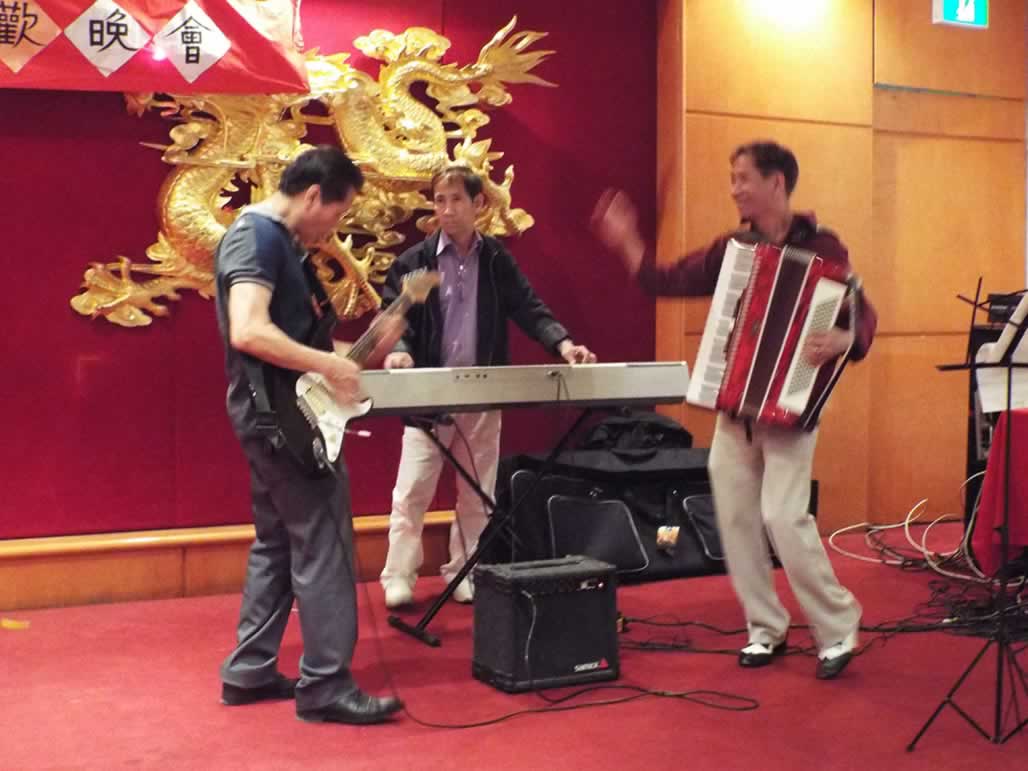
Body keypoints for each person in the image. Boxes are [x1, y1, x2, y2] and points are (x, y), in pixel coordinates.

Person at [591, 141, 876, 680]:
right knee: (737, 516)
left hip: (790, 403)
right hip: (738, 405)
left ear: (776, 182)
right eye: (732, 178)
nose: (734, 189)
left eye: (743, 178)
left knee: (783, 517)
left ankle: (838, 626)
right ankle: (765, 627)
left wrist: (843, 338)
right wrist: (629, 245)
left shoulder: (824, 247)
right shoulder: (734, 248)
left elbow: (861, 314)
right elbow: (666, 279)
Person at [214, 145, 405, 724]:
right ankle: (325, 683)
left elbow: (300, 346)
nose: (334, 229)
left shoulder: (280, 245)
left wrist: (365, 347)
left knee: (277, 543)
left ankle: (249, 670)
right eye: (338, 214)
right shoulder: (257, 238)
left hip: (275, 416)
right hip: (283, 422)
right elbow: (249, 331)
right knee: (324, 544)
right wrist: (330, 364)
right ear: (314, 194)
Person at [379, 165, 596, 608]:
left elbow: (529, 308)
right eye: (440, 200)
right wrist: (398, 349)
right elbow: (395, 315)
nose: (447, 210)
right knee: (413, 490)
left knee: (477, 493)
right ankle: (398, 575)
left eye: (457, 200)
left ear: (478, 204)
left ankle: (463, 570)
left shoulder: (496, 260)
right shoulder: (415, 261)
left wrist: (563, 344)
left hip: (482, 393)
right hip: (428, 397)